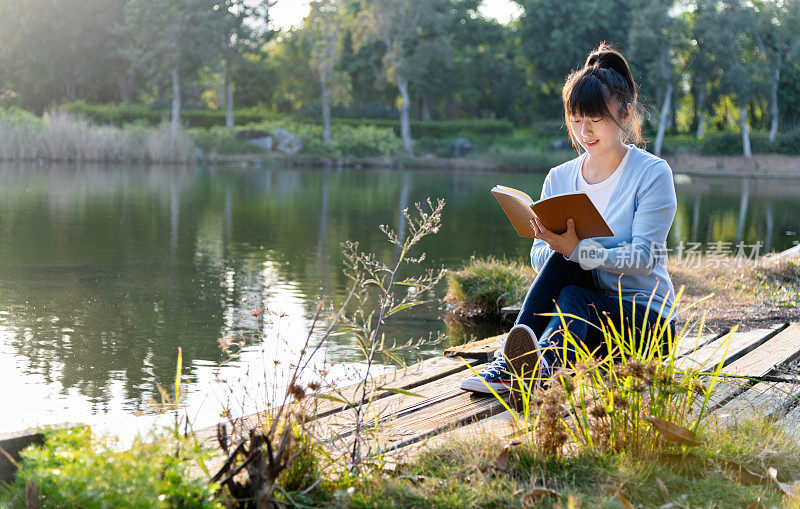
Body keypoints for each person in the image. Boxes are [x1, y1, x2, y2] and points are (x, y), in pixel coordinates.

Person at [459, 43, 678, 407]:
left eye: (595, 119)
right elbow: (539, 256)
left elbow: (645, 258)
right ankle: (525, 367)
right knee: (568, 277)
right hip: (583, 307)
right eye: (576, 120)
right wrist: (558, 247)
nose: (584, 131)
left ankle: (524, 367)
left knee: (573, 274)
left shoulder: (652, 173)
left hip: (646, 321)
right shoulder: (559, 178)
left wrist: (580, 250)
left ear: (624, 114)